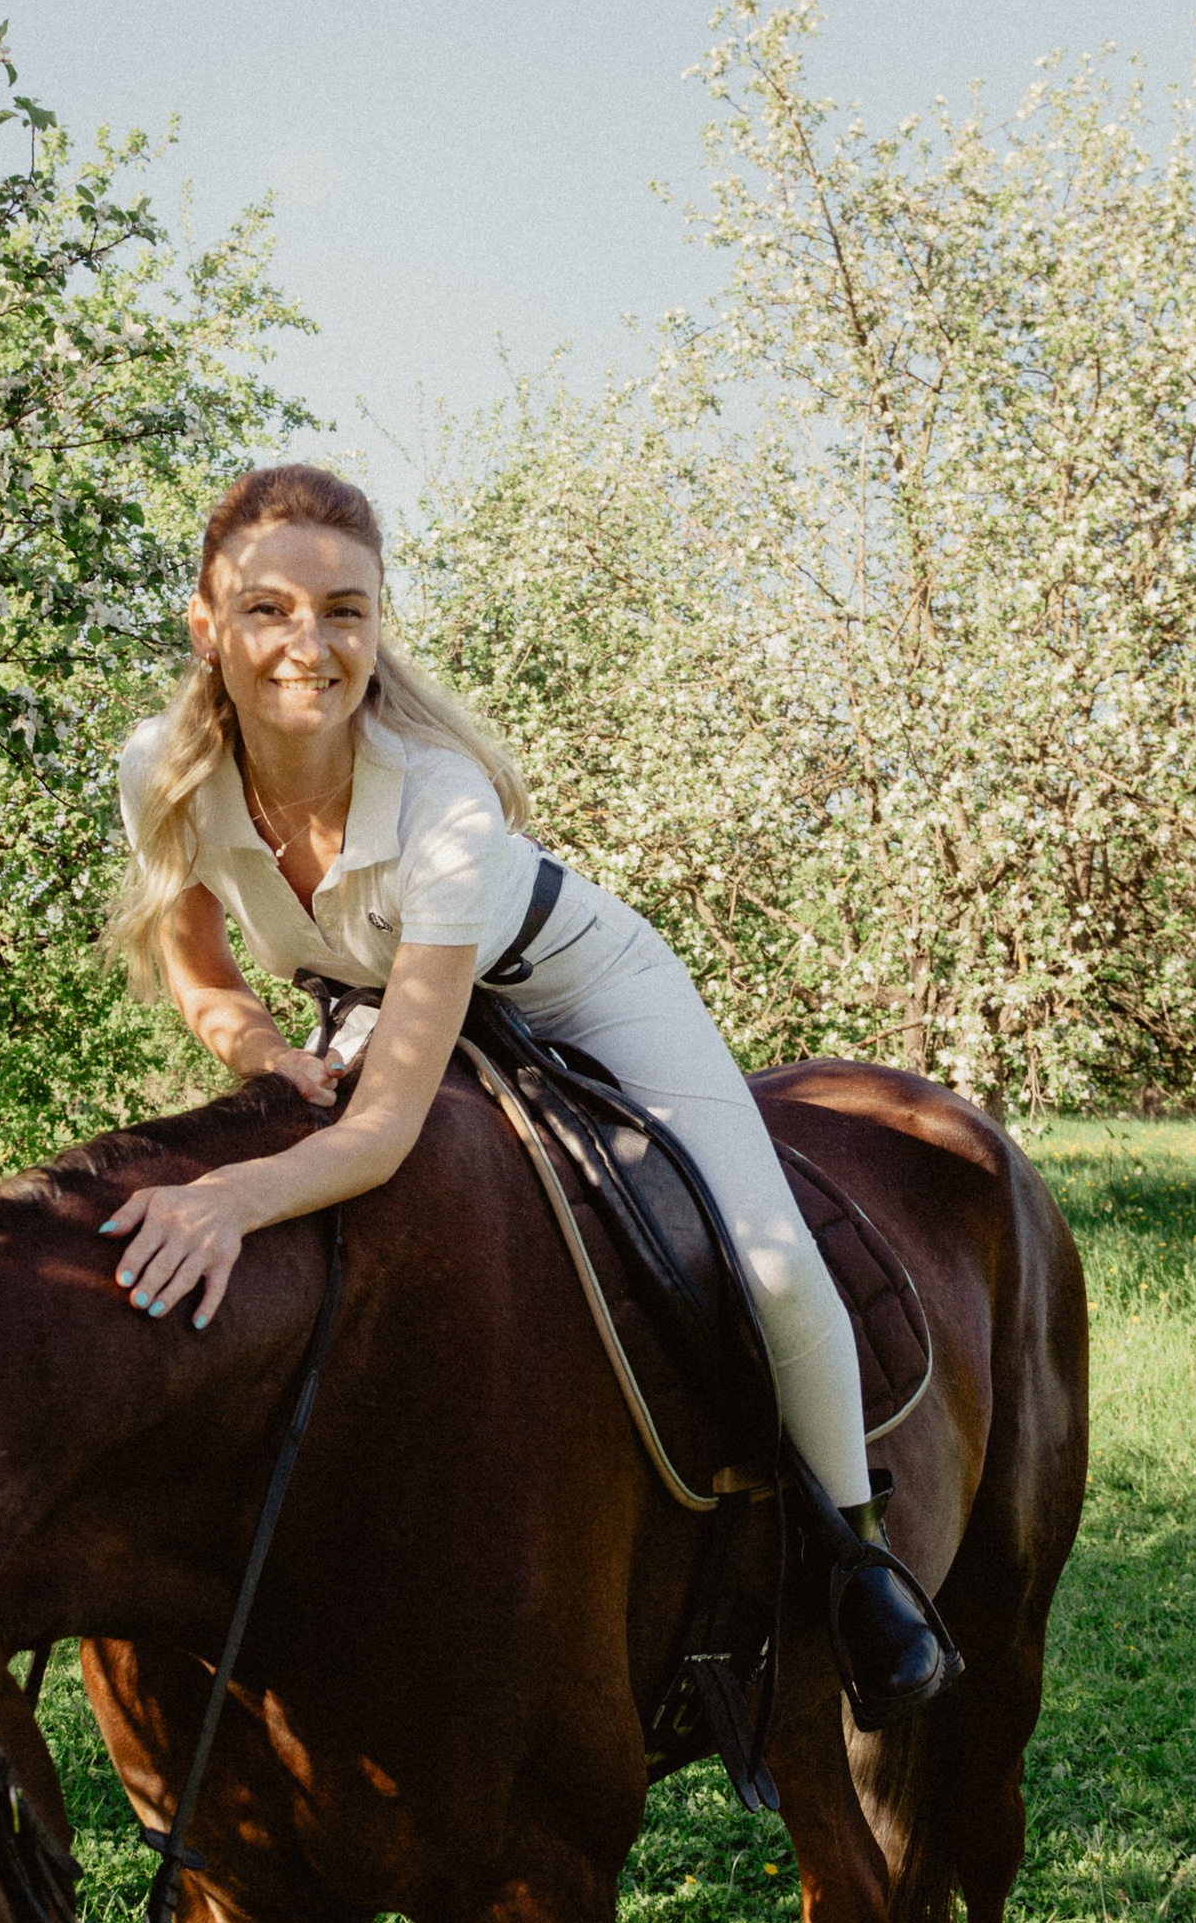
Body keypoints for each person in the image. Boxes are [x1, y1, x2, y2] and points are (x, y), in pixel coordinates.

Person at [100, 461, 948, 1711]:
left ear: (379, 621)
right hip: (374, 998)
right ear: (205, 623)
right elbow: (200, 963)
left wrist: (230, 1199)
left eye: (345, 610)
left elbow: (384, 1131)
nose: (309, 644)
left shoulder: (439, 801)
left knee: (766, 1257)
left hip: (576, 986)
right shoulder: (157, 769)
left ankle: (857, 1567)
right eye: (269, 608)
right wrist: (255, 1056)